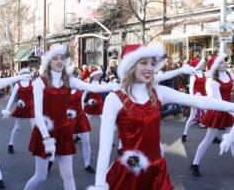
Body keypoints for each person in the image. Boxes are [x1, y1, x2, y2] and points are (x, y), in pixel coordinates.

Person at [87, 44, 234, 190]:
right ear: (130, 65)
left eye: (152, 63)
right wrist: (100, 184)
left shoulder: (159, 93)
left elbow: (201, 101)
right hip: (131, 168)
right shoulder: (115, 99)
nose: (150, 67)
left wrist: (231, 107)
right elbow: (105, 148)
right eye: (144, 63)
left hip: (157, 169)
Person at [24, 44, 118, 190]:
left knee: (68, 176)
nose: (59, 61)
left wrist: (113, 86)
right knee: (41, 176)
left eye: (62, 58)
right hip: (45, 133)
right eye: (55, 58)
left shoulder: (69, 81)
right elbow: (38, 114)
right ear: (49, 62)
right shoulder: (39, 83)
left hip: (64, 132)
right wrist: (46, 138)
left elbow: (92, 88)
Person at [190, 55, 234, 177]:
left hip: (229, 110)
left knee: (232, 139)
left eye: (224, 61)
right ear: (215, 67)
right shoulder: (214, 82)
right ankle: (195, 163)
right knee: (208, 140)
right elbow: (220, 103)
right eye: (220, 63)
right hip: (218, 111)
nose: (224, 64)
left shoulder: (230, 75)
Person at [2, 67, 35, 154]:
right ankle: (11, 144)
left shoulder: (33, 83)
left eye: (27, 73)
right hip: (21, 106)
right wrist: (7, 109)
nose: (26, 75)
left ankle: (36, 146)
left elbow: (38, 96)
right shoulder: (18, 84)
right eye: (24, 73)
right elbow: (12, 97)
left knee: (35, 128)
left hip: (31, 107)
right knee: (17, 127)